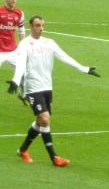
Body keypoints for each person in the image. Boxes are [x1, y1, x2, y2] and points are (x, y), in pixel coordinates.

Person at [6, 16, 101, 166]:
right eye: (37, 25)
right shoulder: (25, 44)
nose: (41, 28)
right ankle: (54, 157)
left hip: (47, 87)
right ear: (30, 26)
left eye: (42, 25)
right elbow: (21, 64)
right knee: (44, 118)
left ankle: (23, 150)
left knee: (40, 121)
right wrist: (16, 81)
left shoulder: (49, 43)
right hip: (33, 88)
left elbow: (65, 57)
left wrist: (84, 69)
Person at [0, 0, 26, 104]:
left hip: (13, 51)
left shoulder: (19, 13)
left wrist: (24, 47)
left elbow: (21, 30)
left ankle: (23, 95)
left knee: (25, 72)